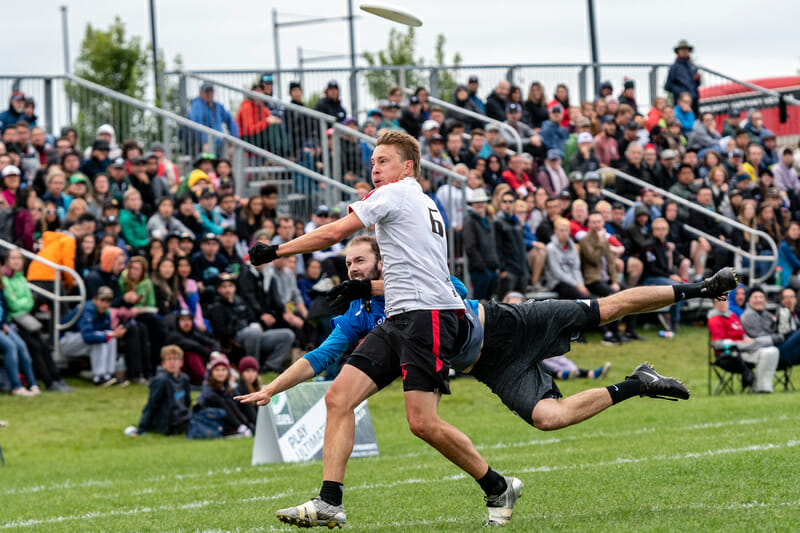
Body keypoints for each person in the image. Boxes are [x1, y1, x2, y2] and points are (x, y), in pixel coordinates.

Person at [239, 251, 738, 527]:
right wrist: (272, 390)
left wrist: (375, 287)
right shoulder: (359, 313)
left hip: (509, 324)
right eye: (347, 263)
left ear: (384, 260)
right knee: (550, 418)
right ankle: (637, 383)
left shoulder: (419, 276)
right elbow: (322, 356)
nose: (352, 268)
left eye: (360, 260)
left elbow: (450, 301)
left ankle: (701, 288)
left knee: (607, 308)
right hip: (491, 367)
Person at [247, 131, 522, 527]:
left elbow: (332, 233)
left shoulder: (396, 194)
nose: (375, 169)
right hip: (403, 315)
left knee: (422, 422)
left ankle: (498, 486)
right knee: (339, 397)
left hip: (425, 316)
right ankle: (329, 502)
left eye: (384, 161)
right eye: (373, 162)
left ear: (407, 167)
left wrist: (275, 250)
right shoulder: (423, 202)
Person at [709, 295, 779, 393]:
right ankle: (760, 387)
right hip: (731, 354)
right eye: (719, 301)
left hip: (746, 349)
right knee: (765, 350)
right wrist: (738, 344)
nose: (722, 303)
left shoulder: (732, 316)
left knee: (772, 351)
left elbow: (742, 334)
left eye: (724, 300)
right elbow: (718, 344)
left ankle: (763, 386)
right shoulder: (715, 319)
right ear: (714, 304)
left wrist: (747, 339)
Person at [60, 286, 127, 386]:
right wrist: (109, 336)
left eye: (108, 301)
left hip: (83, 342)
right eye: (102, 300)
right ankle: (98, 376)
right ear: (95, 299)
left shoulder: (106, 312)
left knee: (109, 336)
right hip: (66, 341)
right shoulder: (87, 309)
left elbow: (106, 332)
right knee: (103, 337)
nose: (105, 304)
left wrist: (112, 335)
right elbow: (87, 336)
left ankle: (108, 375)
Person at [128, 345, 192, 437]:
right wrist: (141, 429)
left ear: (181, 363)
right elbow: (151, 405)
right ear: (163, 363)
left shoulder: (184, 378)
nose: (172, 362)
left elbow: (187, 402)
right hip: (169, 421)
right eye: (169, 359)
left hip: (183, 416)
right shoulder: (161, 380)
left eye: (175, 359)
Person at [740, 286, 800, 371]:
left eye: (761, 297)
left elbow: (775, 332)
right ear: (748, 300)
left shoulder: (766, 314)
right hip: (770, 352)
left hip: (777, 348)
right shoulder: (748, 316)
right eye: (755, 297)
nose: (759, 300)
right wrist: (783, 336)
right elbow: (760, 339)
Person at [0, 285, 39, 397]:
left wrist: (3, 325)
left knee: (21, 345)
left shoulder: (1, 289)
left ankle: (32, 384)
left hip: (3, 326)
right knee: (10, 346)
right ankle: (16, 387)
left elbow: (5, 308)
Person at [463, 189, 499, 301]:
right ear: (472, 204)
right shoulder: (469, 221)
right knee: (479, 303)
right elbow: (470, 247)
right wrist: (483, 267)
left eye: (482, 202)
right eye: (476, 202)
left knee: (488, 303)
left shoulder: (489, 221)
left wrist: (496, 265)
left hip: (491, 268)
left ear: (486, 203)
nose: (479, 204)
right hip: (480, 270)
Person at [665, 40, 700, 116]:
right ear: (678, 51)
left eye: (686, 49)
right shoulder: (674, 67)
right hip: (681, 102)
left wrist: (697, 80)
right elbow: (668, 86)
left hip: (694, 101)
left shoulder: (692, 66)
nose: (684, 51)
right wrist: (682, 94)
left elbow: (695, 85)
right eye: (682, 49)